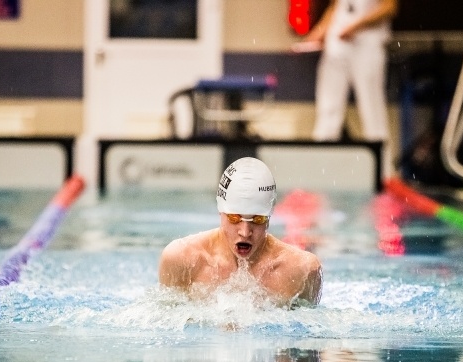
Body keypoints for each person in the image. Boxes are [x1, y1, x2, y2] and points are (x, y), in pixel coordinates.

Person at [158, 157, 322, 307]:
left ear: (270, 216)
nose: (245, 232)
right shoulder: (182, 260)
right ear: (220, 211)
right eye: (235, 218)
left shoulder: (302, 270)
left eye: (257, 220)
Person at [304, 0, 397, 146]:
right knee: (328, 109)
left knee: (371, 109)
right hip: (337, 45)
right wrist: (318, 32)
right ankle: (321, 160)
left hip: (367, 45)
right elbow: (336, 7)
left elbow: (389, 7)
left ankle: (382, 165)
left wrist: (357, 26)